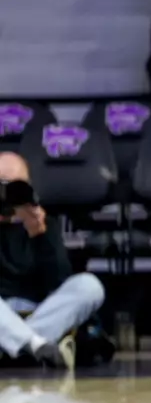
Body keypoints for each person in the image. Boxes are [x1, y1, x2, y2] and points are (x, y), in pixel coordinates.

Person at [0, 153, 102, 369]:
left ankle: (17, 349)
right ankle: (34, 346)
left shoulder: (46, 225)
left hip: (40, 311)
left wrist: (40, 234)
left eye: (16, 188)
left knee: (90, 286)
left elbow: (59, 283)